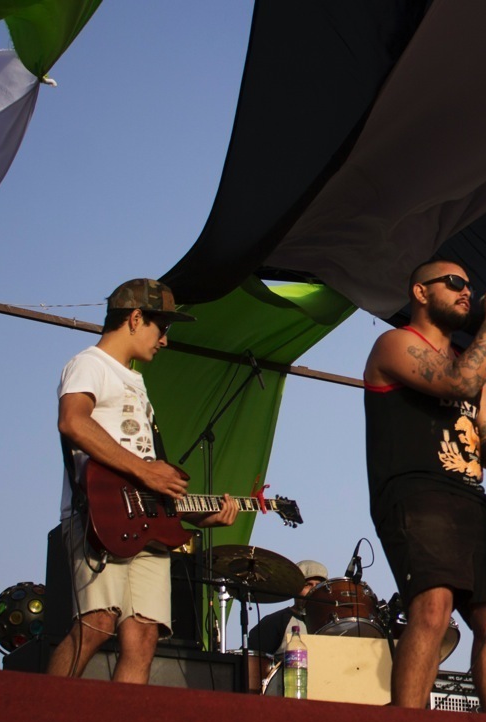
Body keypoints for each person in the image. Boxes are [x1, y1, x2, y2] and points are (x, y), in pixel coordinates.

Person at [363, 259, 486, 714]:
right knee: (433, 605)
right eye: (454, 283)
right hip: (416, 491)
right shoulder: (396, 343)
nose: (466, 292)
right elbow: (460, 382)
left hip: (471, 498)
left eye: (469, 286)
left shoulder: (469, 362)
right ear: (420, 292)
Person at [48, 278, 239, 684]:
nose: (164, 340)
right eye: (161, 327)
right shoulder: (89, 364)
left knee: (144, 634)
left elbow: (150, 482)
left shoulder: (136, 381)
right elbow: (72, 421)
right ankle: (40, 712)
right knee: (97, 622)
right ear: (135, 319)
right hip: (99, 519)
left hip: (143, 524)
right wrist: (145, 469)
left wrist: (199, 515)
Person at [247, 559, 329, 655]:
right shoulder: (275, 621)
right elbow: (251, 660)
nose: (313, 590)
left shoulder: (333, 623)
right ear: (295, 588)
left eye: (319, 585)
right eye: (308, 585)